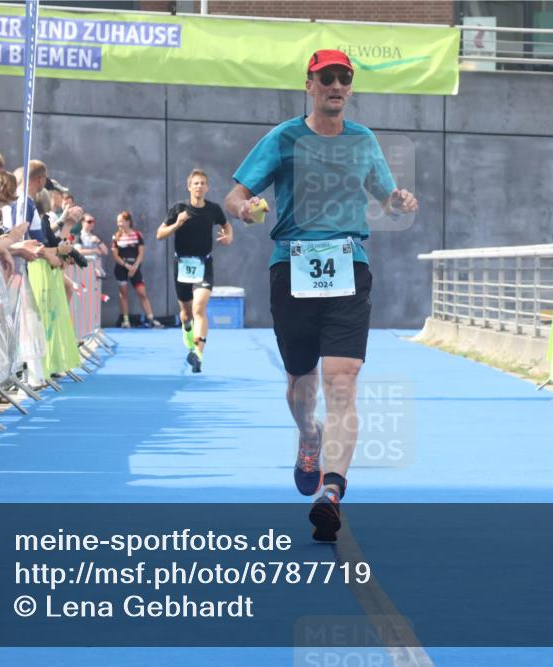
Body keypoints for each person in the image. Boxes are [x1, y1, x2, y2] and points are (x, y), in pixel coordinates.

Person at [224, 49, 418, 541]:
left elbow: (387, 198)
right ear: (309, 84)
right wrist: (245, 209)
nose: (336, 85)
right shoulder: (284, 137)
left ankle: (331, 491)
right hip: (292, 267)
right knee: (300, 382)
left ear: (350, 87)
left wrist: (398, 202)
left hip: (349, 267)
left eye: (344, 79)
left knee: (342, 380)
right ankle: (308, 435)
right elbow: (234, 196)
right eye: (326, 78)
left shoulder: (364, 140)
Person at [157, 168, 232, 373]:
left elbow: (227, 226)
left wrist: (228, 237)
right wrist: (177, 224)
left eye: (202, 183)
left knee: (199, 308)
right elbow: (159, 234)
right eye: (195, 183)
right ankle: (187, 329)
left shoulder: (213, 209)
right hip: (181, 265)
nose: (199, 186)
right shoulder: (178, 208)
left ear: (207, 187)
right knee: (186, 313)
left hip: (203, 264)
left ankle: (198, 354)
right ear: (189, 186)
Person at [110, 210, 159, 329]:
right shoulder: (116, 236)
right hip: (121, 269)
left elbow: (141, 253)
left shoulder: (137, 235)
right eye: (118, 222)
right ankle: (126, 320)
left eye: (121, 221)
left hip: (135, 269)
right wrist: (126, 266)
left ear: (128, 222)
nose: (119, 224)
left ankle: (151, 318)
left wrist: (134, 267)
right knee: (123, 294)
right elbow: (115, 256)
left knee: (142, 293)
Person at [74, 213, 108, 277]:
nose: (92, 224)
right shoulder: (78, 236)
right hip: (84, 273)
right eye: (89, 222)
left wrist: (99, 241)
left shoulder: (95, 236)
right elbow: (78, 251)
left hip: (97, 275)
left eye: (93, 222)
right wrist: (94, 251)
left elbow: (106, 252)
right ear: (83, 222)